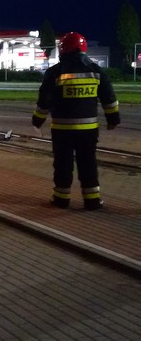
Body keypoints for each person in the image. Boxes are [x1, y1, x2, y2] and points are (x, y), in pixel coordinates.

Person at [32, 32, 120, 210]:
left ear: (63, 49)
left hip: (62, 130)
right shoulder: (96, 71)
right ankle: (92, 200)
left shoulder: (55, 72)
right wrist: (113, 120)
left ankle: (61, 199)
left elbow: (44, 101)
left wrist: (37, 120)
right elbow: (109, 98)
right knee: (88, 163)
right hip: (88, 130)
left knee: (63, 164)